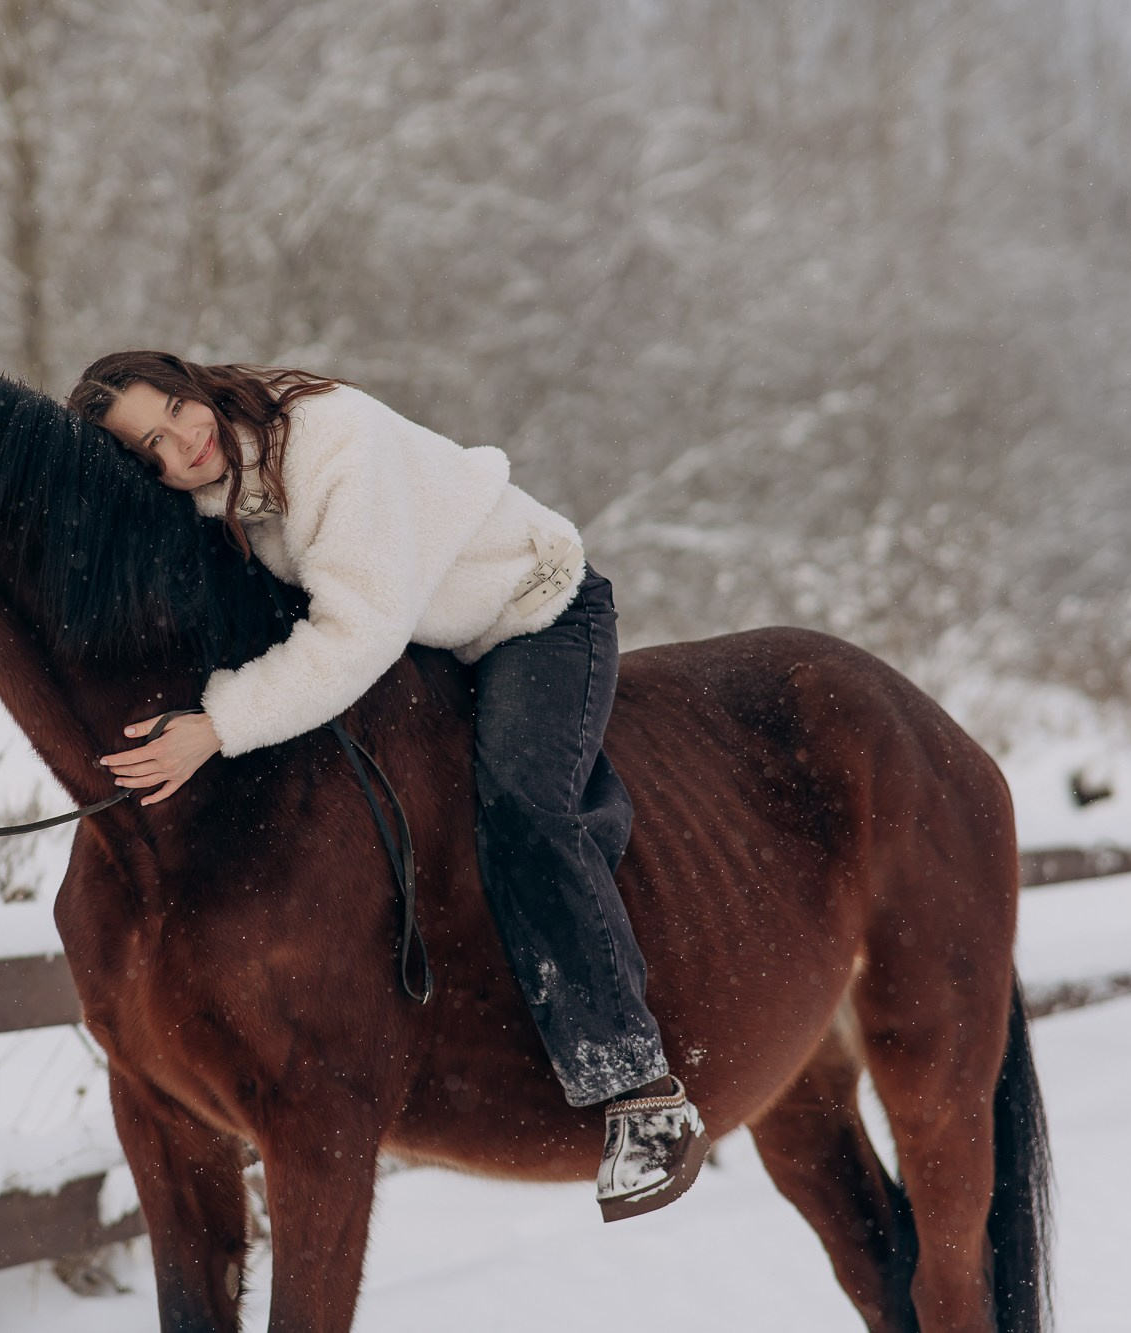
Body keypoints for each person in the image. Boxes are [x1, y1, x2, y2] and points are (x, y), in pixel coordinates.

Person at [69, 350, 707, 1222]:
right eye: (152, 446)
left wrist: (217, 725)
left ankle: (641, 1088)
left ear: (194, 384)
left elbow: (354, 632)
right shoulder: (203, 497)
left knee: (524, 803)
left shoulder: (330, 438)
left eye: (177, 411)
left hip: (530, 614)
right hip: (429, 638)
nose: (183, 445)